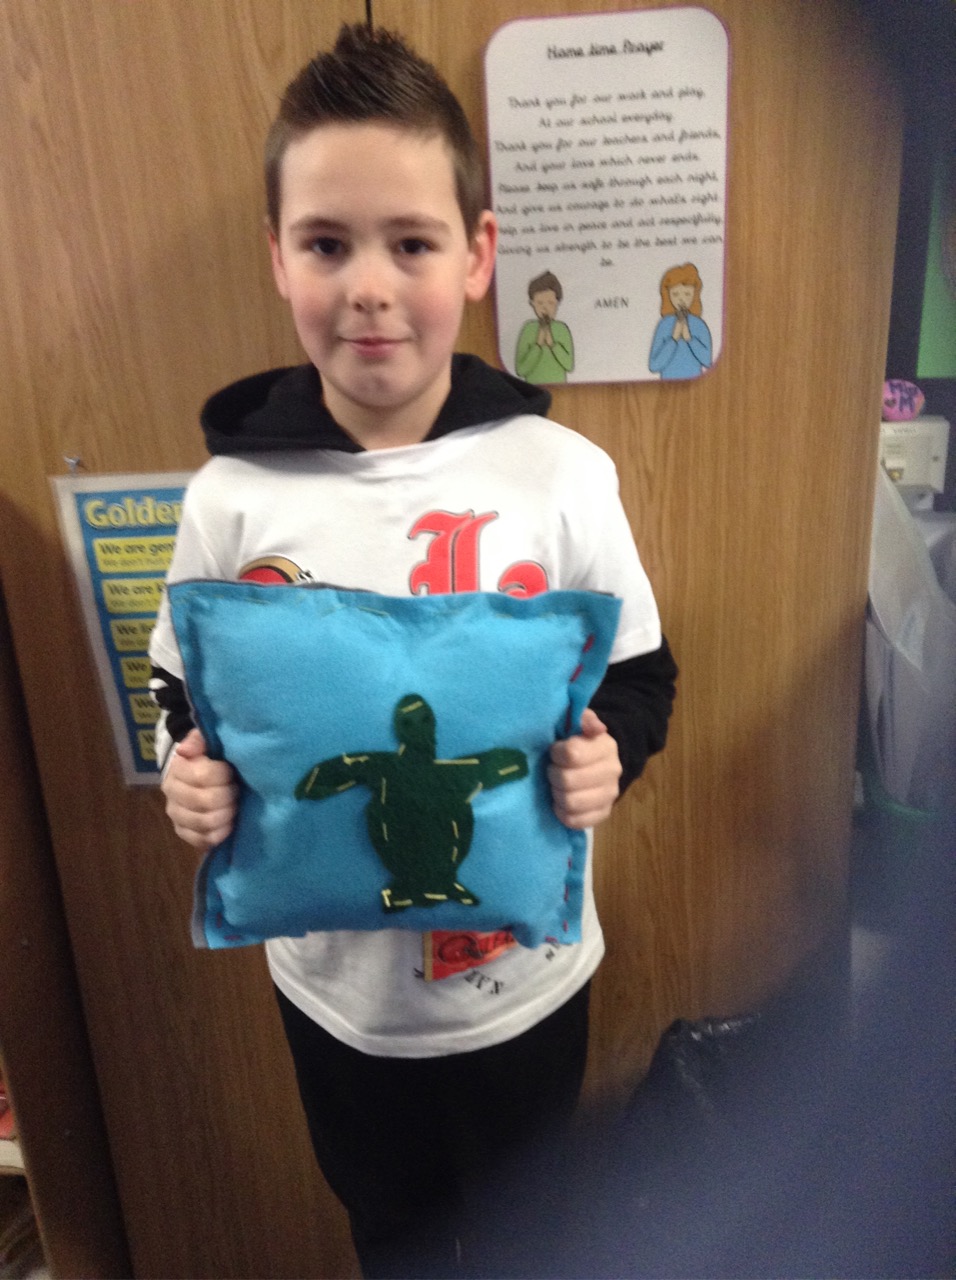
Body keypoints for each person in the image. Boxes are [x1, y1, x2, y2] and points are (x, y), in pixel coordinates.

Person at [149, 23, 677, 1278]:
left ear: (477, 254)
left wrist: (611, 754)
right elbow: (183, 688)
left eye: (411, 242)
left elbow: (638, 674)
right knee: (389, 1233)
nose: (369, 287)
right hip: (339, 999)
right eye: (327, 243)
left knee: (534, 1235)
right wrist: (186, 769)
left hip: (527, 980)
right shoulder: (232, 497)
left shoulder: (558, 475)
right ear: (278, 257)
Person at [648, 262, 712, 380]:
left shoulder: (699, 325)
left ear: (695, 294)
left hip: (694, 383)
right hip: (667, 383)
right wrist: (673, 339)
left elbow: (708, 361)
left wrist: (689, 338)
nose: (681, 299)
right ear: (668, 295)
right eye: (675, 294)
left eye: (687, 294)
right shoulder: (664, 325)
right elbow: (653, 365)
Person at [514, 269, 575, 384]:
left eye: (550, 303)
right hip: (532, 390)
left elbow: (569, 365)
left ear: (558, 303)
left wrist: (552, 344)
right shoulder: (529, 328)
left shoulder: (561, 329)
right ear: (532, 303)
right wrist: (538, 345)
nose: (545, 308)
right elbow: (521, 370)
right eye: (540, 303)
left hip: (559, 388)